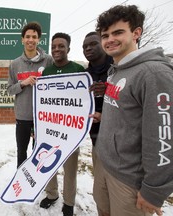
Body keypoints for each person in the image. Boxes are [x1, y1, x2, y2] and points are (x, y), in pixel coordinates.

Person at [92, 5, 173, 216]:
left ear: (136, 33)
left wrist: (154, 190)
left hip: (129, 180)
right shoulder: (117, 70)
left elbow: (164, 135)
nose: (110, 39)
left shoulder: (153, 73)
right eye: (105, 35)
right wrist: (103, 116)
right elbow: (126, 109)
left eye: (118, 32)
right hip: (105, 165)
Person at [38, 32, 84, 216]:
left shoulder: (79, 70)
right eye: (54, 46)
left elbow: (83, 102)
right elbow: (41, 103)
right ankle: (52, 194)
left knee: (70, 169)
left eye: (61, 46)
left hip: (70, 131)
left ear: (68, 48)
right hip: (50, 129)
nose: (57, 49)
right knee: (49, 163)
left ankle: (69, 201)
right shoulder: (47, 71)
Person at [7, 21, 53, 168]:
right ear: (22, 39)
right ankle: (20, 180)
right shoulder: (15, 64)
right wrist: (23, 83)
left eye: (34, 36)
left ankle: (36, 181)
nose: (30, 40)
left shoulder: (48, 61)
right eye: (27, 37)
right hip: (23, 116)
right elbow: (9, 90)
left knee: (39, 152)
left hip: (42, 116)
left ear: (39, 39)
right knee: (22, 151)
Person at [82, 32, 113, 167]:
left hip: (120, 145)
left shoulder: (117, 69)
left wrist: (109, 91)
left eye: (93, 44)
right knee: (99, 185)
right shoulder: (85, 76)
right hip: (96, 139)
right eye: (85, 46)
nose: (88, 48)